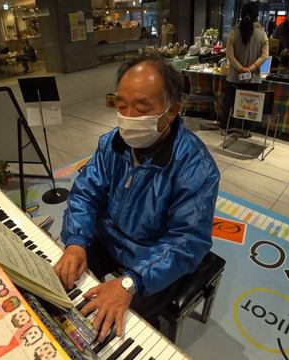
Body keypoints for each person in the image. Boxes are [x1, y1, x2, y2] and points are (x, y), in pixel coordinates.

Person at [54, 55, 220, 342]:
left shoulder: (196, 167)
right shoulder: (110, 144)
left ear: (172, 111)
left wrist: (131, 281)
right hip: (107, 240)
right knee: (59, 290)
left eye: (141, 108)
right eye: (121, 106)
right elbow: (85, 192)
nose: (128, 117)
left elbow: (188, 240)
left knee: (112, 332)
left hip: (155, 260)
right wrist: (75, 242)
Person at [222, 2, 269, 130]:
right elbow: (265, 56)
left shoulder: (233, 32)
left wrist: (241, 69)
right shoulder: (262, 34)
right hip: (253, 78)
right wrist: (251, 69)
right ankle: (246, 130)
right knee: (250, 106)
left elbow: (229, 55)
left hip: (234, 77)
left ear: (242, 15)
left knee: (229, 104)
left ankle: (225, 128)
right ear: (257, 16)